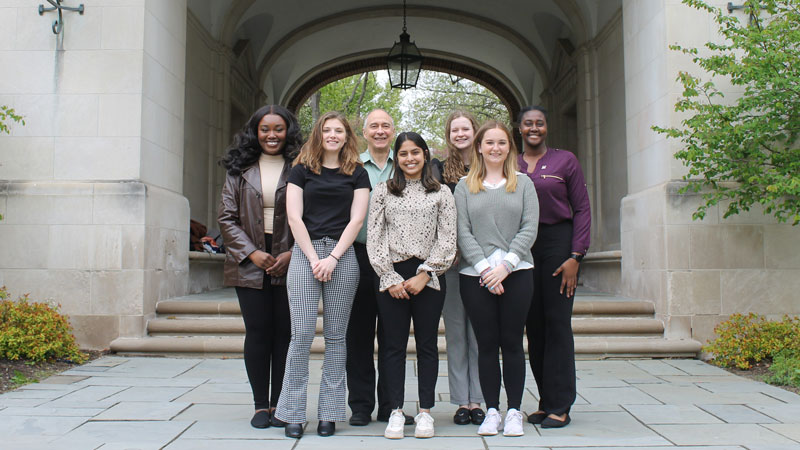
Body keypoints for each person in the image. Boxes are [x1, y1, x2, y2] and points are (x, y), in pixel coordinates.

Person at [274, 111, 371, 439]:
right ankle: (292, 412)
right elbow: (293, 216)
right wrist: (316, 257)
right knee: (300, 336)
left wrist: (332, 257)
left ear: (347, 136)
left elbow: (356, 220)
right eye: (327, 130)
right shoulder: (301, 170)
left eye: (339, 130)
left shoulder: (357, 173)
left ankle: (330, 412)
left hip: (341, 256)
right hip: (306, 253)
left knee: (336, 338)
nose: (333, 135)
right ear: (319, 134)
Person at [367, 132, 457, 439]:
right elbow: (375, 236)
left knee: (427, 345)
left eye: (415, 153)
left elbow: (448, 239)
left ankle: (426, 412)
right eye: (403, 153)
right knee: (392, 346)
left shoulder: (442, 192)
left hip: (428, 275)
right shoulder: (383, 191)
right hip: (392, 275)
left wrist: (426, 274)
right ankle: (395, 410)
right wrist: (389, 277)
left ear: (425, 155)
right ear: (397, 158)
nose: (410, 159)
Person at [218, 104, 302, 430]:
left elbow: (312, 215)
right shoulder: (239, 170)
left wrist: (293, 253)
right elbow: (226, 218)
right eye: (265, 129)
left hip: (289, 258)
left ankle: (280, 404)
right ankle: (259, 405)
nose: (271, 135)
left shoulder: (301, 167)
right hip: (248, 260)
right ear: (255, 131)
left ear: (288, 132)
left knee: (285, 334)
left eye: (278, 129)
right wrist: (252, 253)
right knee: (257, 332)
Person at [454, 120, 539, 437]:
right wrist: (485, 268)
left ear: (509, 148)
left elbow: (529, 227)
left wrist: (506, 265)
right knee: (486, 345)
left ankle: (514, 410)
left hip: (517, 273)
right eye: (489, 143)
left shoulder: (524, 184)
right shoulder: (465, 186)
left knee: (513, 343)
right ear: (479, 147)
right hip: (475, 276)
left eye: (501, 143)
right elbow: (462, 232)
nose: (495, 148)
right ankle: (491, 410)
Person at [518, 106, 590, 429]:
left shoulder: (566, 161)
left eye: (540, 123)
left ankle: (561, 403)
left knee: (557, 323)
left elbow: (583, 208)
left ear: (547, 127)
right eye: (528, 124)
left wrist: (576, 256)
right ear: (518, 128)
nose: (534, 128)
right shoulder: (511, 163)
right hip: (523, 245)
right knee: (533, 326)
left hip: (558, 245)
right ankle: (546, 400)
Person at [347, 108, 408, 426]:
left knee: (393, 335)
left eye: (386, 125)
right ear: (365, 132)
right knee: (358, 334)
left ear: (393, 129)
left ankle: (391, 405)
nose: (381, 130)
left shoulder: (406, 164)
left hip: (397, 261)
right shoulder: (351, 165)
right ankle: (360, 405)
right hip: (357, 257)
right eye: (374, 126)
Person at [432, 110, 485, 426]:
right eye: (455, 130)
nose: (461, 134)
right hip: (451, 263)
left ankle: (478, 399)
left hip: (482, 262)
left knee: (479, 332)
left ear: (474, 131)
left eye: (466, 128)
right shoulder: (439, 170)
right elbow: (437, 214)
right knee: (455, 332)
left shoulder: (488, 167)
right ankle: (461, 401)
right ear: (449, 135)